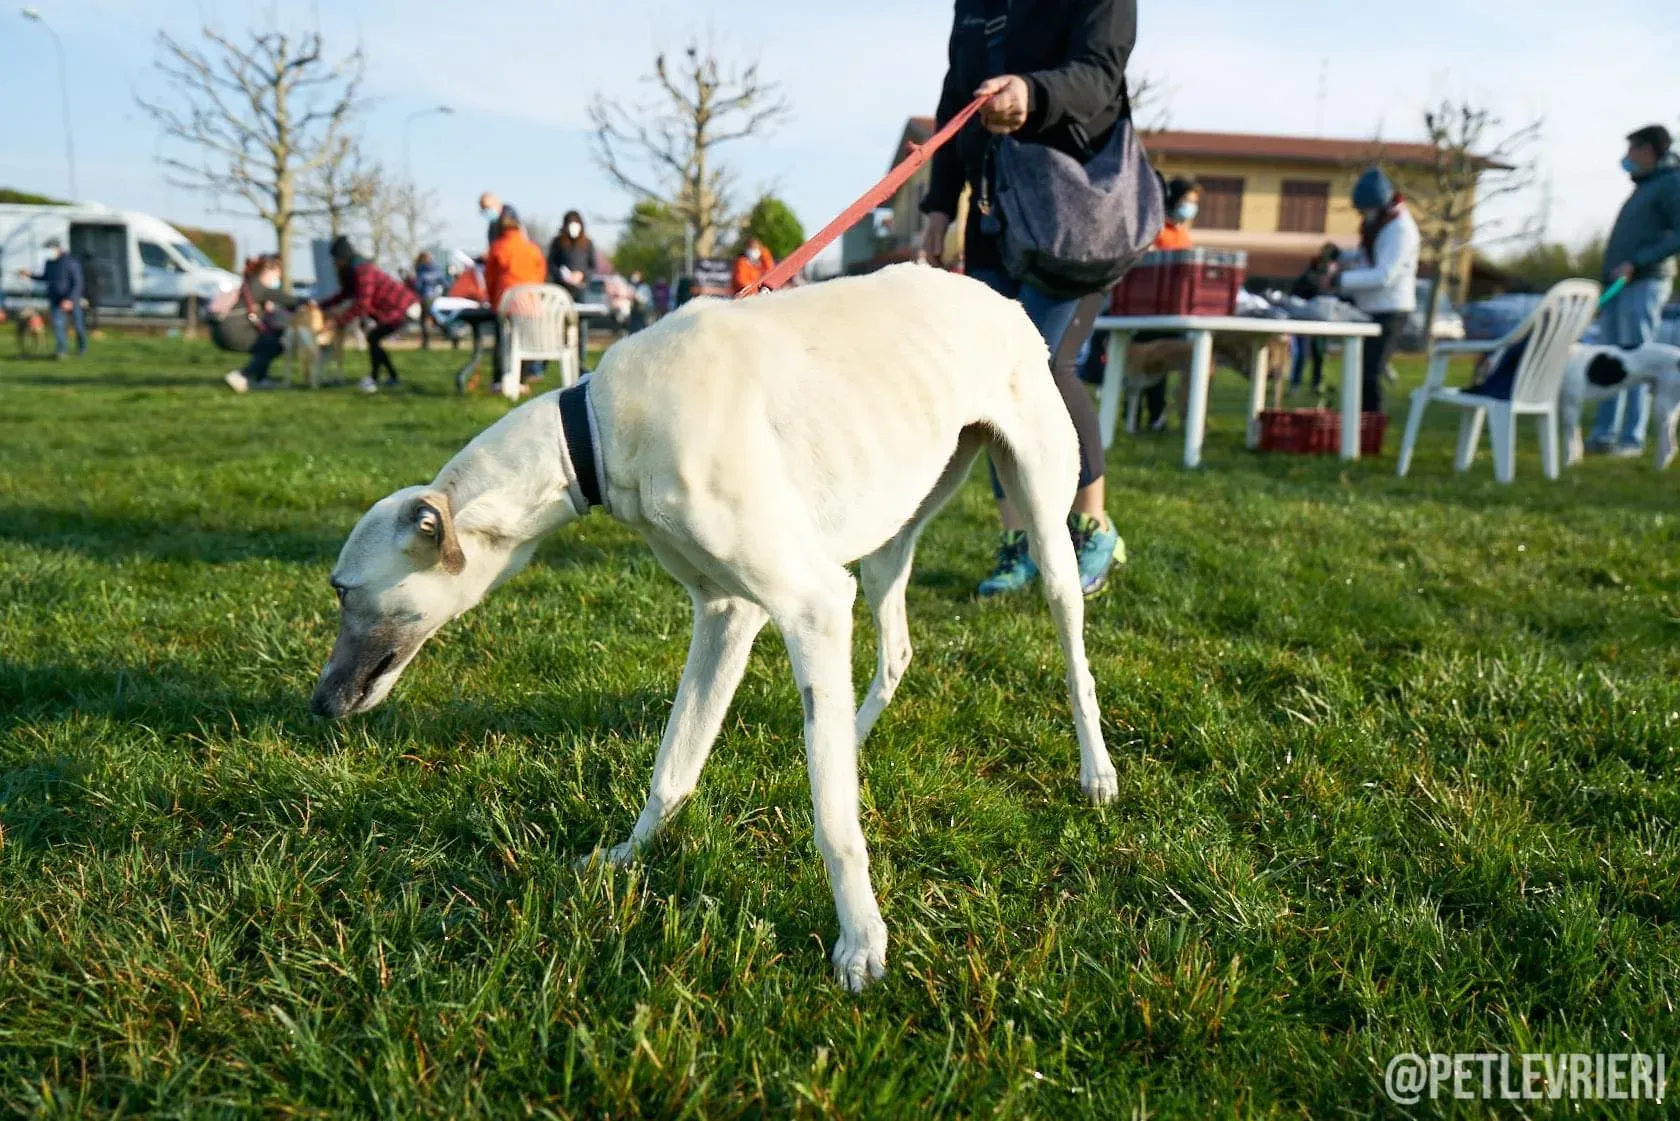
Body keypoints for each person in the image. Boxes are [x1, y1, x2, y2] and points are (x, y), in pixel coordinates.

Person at [921, 0, 1133, 598]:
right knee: (992, 379)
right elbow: (954, 97)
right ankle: (1022, 540)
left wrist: (1031, 93)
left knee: (1044, 362)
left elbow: (1099, 75)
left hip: (1077, 213)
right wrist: (940, 204)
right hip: (996, 214)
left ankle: (1093, 527)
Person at [1588, 124, 1680, 456]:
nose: (1626, 157)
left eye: (1632, 150)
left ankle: (1631, 438)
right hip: (1620, 286)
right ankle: (1604, 435)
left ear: (1649, 150)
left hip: (1644, 283)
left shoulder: (1671, 183)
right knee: (1612, 359)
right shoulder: (1645, 186)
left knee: (1638, 360)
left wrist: (1636, 262)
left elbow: (1677, 235)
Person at [1336, 168, 1419, 418]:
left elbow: (1384, 275)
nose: (1363, 215)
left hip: (1390, 310)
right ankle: (1357, 425)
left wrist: (1339, 280)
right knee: (1359, 371)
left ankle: (1370, 426)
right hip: (1372, 308)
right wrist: (1340, 257)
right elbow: (1367, 258)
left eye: (1365, 210)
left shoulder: (1400, 230)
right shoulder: (1382, 225)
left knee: (1370, 372)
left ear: (1380, 205)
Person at [318, 236, 418, 394]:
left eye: (336, 259)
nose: (335, 263)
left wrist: (338, 321)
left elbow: (362, 304)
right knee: (374, 338)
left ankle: (374, 379)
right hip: (397, 308)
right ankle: (391, 377)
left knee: (373, 338)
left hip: (404, 307)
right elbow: (344, 295)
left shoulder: (363, 270)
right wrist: (319, 305)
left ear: (343, 257)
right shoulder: (354, 270)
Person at [485, 206, 551, 388]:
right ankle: (522, 380)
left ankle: (499, 380)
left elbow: (490, 279)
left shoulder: (497, 248)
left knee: (502, 340)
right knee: (526, 340)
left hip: (507, 304)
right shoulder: (532, 249)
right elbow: (540, 276)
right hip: (531, 304)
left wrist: (492, 302)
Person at [223, 255, 303, 393]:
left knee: (272, 337)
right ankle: (243, 376)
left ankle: (260, 379)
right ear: (268, 270)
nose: (278, 277)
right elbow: (289, 300)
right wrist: (311, 302)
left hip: (227, 329)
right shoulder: (259, 287)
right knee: (274, 343)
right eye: (278, 273)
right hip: (233, 332)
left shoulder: (249, 283)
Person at [17, 238, 85, 359]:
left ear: (57, 248)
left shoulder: (70, 262)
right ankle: (61, 351)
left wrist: (69, 299)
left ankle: (82, 348)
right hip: (55, 299)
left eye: (49, 249)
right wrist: (29, 275)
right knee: (58, 325)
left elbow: (78, 283)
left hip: (71, 300)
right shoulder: (50, 263)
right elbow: (45, 277)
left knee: (78, 326)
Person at [1289, 242, 1342, 394]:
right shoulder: (1315, 271)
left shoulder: (1327, 271)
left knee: (1318, 351)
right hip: (1303, 313)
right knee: (1302, 352)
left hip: (1318, 315)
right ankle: (1297, 384)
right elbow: (1313, 288)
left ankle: (1316, 382)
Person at [548, 211, 594, 299]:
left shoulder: (587, 243)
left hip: (581, 289)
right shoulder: (557, 242)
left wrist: (582, 275)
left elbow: (592, 267)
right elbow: (550, 264)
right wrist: (561, 275)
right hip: (561, 289)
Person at [411, 250, 446, 350]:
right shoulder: (437, 269)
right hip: (436, 297)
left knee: (425, 319)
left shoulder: (420, 270)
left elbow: (418, 286)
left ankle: (426, 343)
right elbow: (445, 284)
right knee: (435, 318)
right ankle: (451, 334)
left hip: (425, 297)